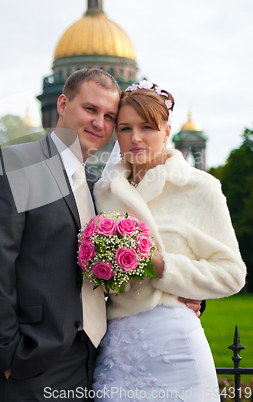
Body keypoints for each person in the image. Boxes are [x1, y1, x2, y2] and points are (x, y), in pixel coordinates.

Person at [0, 69, 202, 402]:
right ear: (62, 104)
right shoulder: (16, 164)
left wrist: (186, 295)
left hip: (93, 363)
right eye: (90, 109)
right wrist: (7, 357)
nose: (99, 123)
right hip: (30, 364)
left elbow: (134, 258)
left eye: (109, 116)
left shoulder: (100, 186)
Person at [92, 81, 246, 401]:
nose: (135, 137)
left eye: (147, 126)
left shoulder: (198, 187)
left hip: (175, 346)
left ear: (167, 131)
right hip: (116, 347)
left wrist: (161, 267)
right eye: (125, 128)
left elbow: (232, 273)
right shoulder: (102, 194)